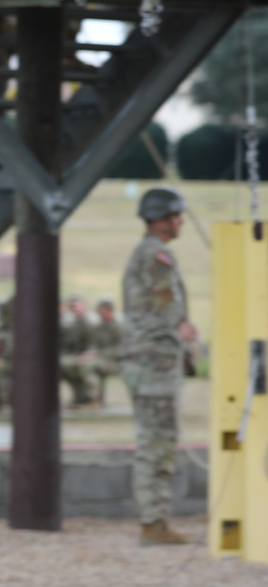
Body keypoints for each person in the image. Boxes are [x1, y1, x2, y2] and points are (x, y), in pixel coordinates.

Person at [120, 186, 199, 545]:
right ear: (160, 220)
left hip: (149, 360)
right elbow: (167, 307)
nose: (181, 221)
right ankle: (153, 523)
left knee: (155, 439)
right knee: (157, 442)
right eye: (176, 216)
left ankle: (155, 520)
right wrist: (185, 332)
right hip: (155, 361)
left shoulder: (150, 253)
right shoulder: (156, 256)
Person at [59, 294, 98, 406]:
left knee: (84, 367)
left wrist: (89, 353)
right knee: (66, 366)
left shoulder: (91, 322)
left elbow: (95, 344)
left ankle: (93, 397)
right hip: (77, 355)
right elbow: (68, 344)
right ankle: (81, 397)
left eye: (76, 306)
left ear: (83, 306)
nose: (74, 308)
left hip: (93, 355)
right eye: (72, 306)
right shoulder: (71, 324)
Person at [90, 296, 123, 404]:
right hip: (100, 360)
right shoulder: (99, 327)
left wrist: (100, 353)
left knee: (92, 367)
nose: (99, 314)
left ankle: (95, 399)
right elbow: (94, 344)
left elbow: (120, 349)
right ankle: (85, 398)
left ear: (108, 310)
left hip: (115, 362)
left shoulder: (118, 327)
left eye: (101, 311)